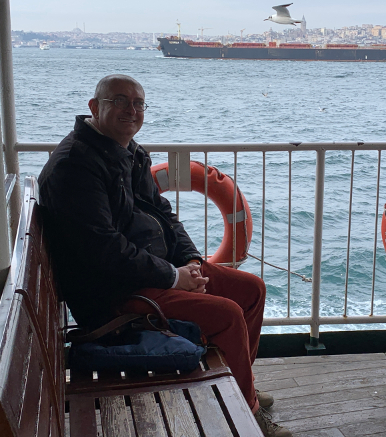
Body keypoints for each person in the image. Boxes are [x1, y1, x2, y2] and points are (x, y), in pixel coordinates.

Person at [39, 74, 292, 437]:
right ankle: (249, 415)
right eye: (120, 101)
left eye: (139, 103)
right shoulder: (75, 165)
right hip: (113, 295)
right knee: (227, 314)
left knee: (251, 290)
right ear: (94, 108)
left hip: (151, 272)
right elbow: (103, 250)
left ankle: (240, 384)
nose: (132, 109)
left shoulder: (129, 152)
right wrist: (174, 278)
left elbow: (163, 214)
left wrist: (190, 260)